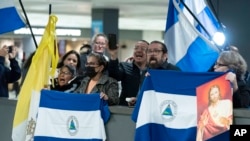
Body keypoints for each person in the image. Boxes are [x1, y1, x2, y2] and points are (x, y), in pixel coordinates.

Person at [108, 40, 149, 106]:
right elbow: (114, 75)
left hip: (145, 107)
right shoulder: (124, 66)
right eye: (136, 48)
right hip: (125, 108)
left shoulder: (153, 70)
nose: (139, 50)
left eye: (143, 48)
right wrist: (113, 55)